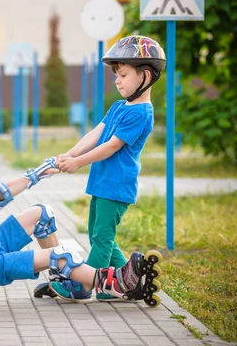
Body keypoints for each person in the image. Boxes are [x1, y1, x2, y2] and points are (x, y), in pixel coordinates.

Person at [0, 132, 161, 312]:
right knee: (60, 255)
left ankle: (66, 282)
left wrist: (37, 173)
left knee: (42, 213)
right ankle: (112, 283)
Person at [42, 35, 166, 303]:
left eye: (122, 74)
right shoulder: (120, 106)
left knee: (101, 239)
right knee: (101, 235)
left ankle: (83, 285)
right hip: (102, 182)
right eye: (116, 75)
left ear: (145, 76)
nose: (117, 80)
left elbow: (111, 146)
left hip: (117, 185)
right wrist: (71, 153)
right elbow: (97, 133)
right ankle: (126, 283)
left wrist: (78, 163)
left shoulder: (141, 113)